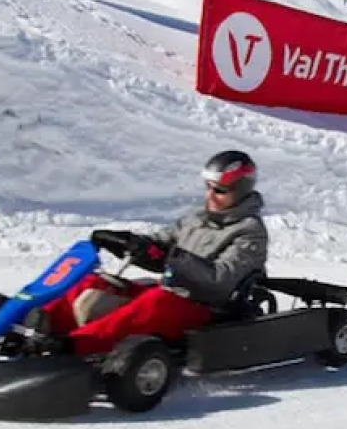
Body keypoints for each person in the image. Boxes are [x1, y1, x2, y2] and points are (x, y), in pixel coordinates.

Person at [40, 150, 270, 357]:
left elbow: (220, 279)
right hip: (171, 291)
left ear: (240, 191)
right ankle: (41, 327)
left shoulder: (250, 232)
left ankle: (75, 345)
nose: (210, 196)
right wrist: (131, 243)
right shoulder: (195, 219)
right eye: (208, 187)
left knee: (155, 301)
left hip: (207, 308)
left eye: (219, 190)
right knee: (92, 282)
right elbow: (159, 244)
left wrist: (171, 258)